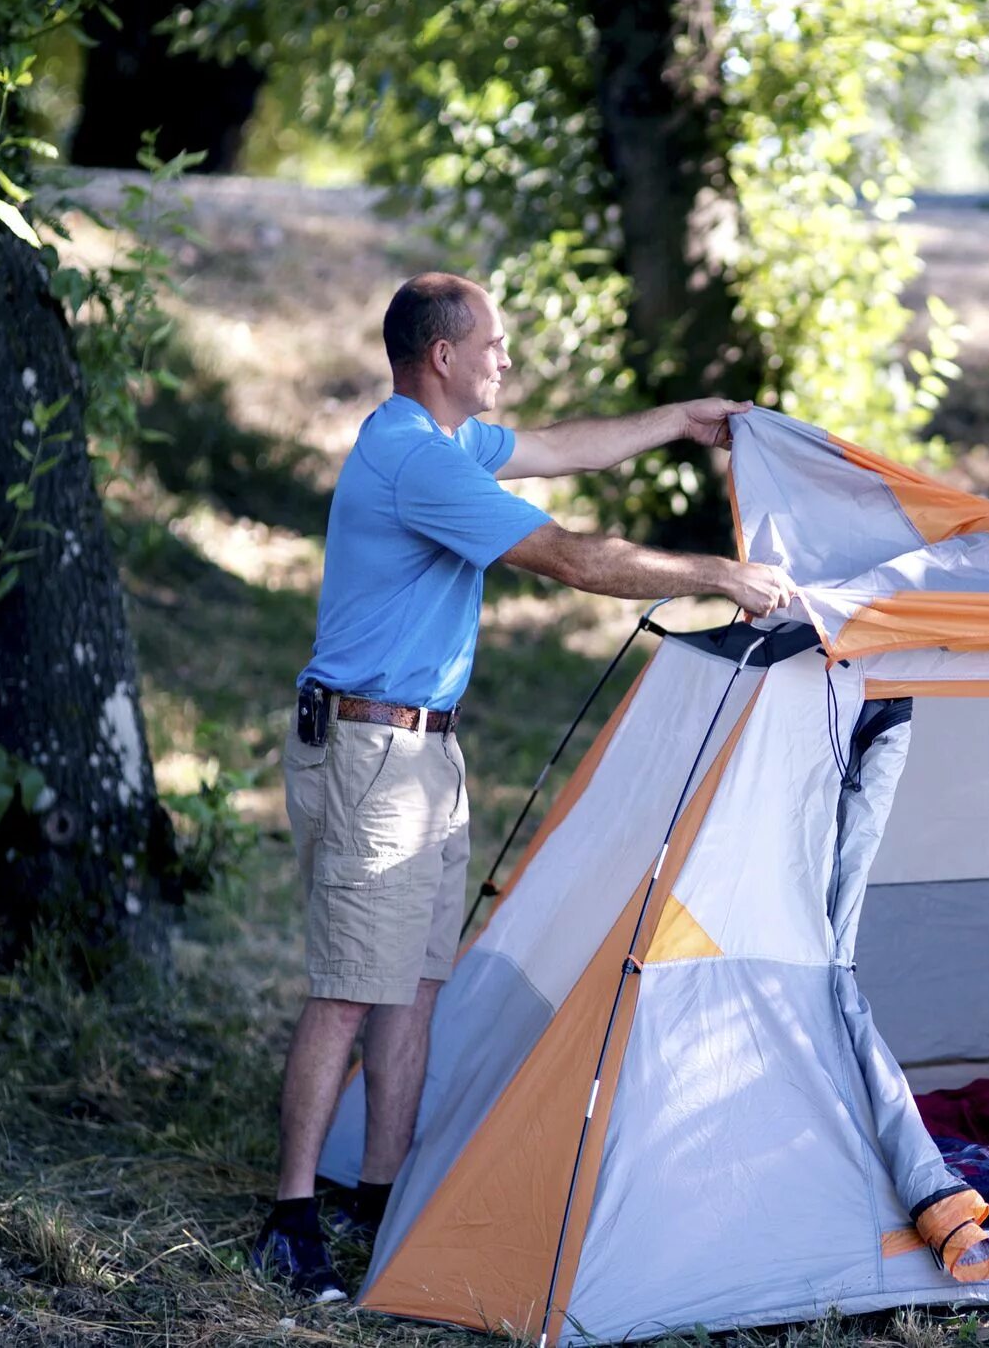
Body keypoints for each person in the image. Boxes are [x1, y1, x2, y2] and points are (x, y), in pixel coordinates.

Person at [253, 272, 794, 1301]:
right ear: (443, 356)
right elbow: (571, 558)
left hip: (419, 757)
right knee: (348, 992)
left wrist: (682, 419)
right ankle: (289, 1222)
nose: (507, 358)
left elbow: (568, 445)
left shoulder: (457, 441)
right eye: (494, 344)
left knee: (413, 989)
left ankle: (380, 1197)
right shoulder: (416, 460)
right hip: (370, 756)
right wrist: (716, 573)